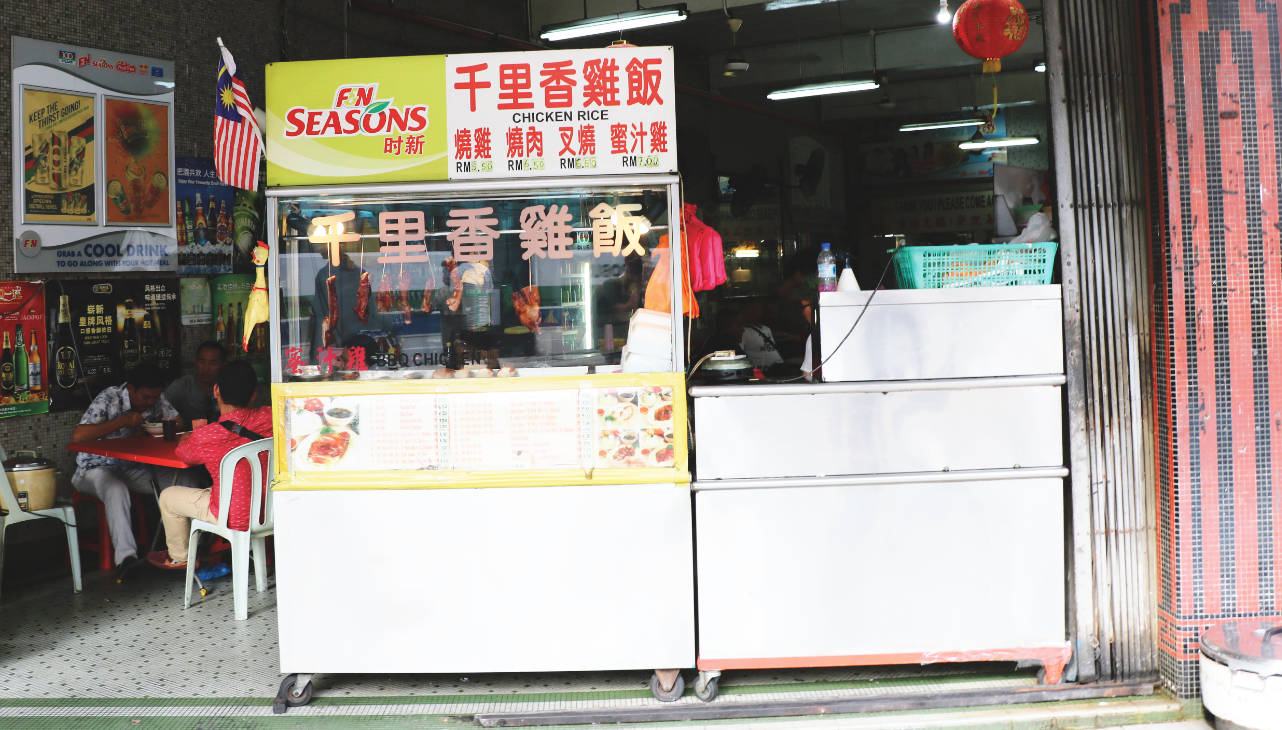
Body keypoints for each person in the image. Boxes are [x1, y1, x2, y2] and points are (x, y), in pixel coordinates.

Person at [71, 363, 193, 574]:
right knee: (116, 490)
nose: (150, 402)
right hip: (93, 467)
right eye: (145, 397)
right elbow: (79, 436)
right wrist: (121, 422)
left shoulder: (155, 398)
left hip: (131, 466)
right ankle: (126, 560)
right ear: (131, 389)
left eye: (155, 397)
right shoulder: (110, 397)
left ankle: (189, 550)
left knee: (178, 482)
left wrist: (155, 428)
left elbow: (178, 422)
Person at [149, 361, 273, 570]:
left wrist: (187, 437)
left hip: (234, 516)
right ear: (254, 395)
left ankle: (180, 557)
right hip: (271, 511)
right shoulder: (269, 416)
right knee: (219, 487)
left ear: (216, 390)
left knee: (168, 497)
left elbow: (184, 455)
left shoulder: (207, 435)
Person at [164, 341, 224, 426]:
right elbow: (161, 407)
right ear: (195, 362)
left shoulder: (227, 387)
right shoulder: (182, 386)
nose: (206, 368)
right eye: (202, 362)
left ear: (222, 365)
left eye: (213, 363)